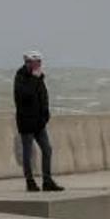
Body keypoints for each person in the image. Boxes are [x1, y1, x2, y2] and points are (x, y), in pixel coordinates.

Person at [13, 51, 63, 192]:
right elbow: (25, 95)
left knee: (47, 149)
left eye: (40, 62)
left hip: (39, 122)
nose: (39, 65)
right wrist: (35, 79)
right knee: (28, 154)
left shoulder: (39, 77)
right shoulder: (20, 77)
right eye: (37, 62)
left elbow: (43, 95)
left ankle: (47, 180)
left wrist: (46, 114)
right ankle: (30, 181)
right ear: (29, 63)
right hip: (26, 122)